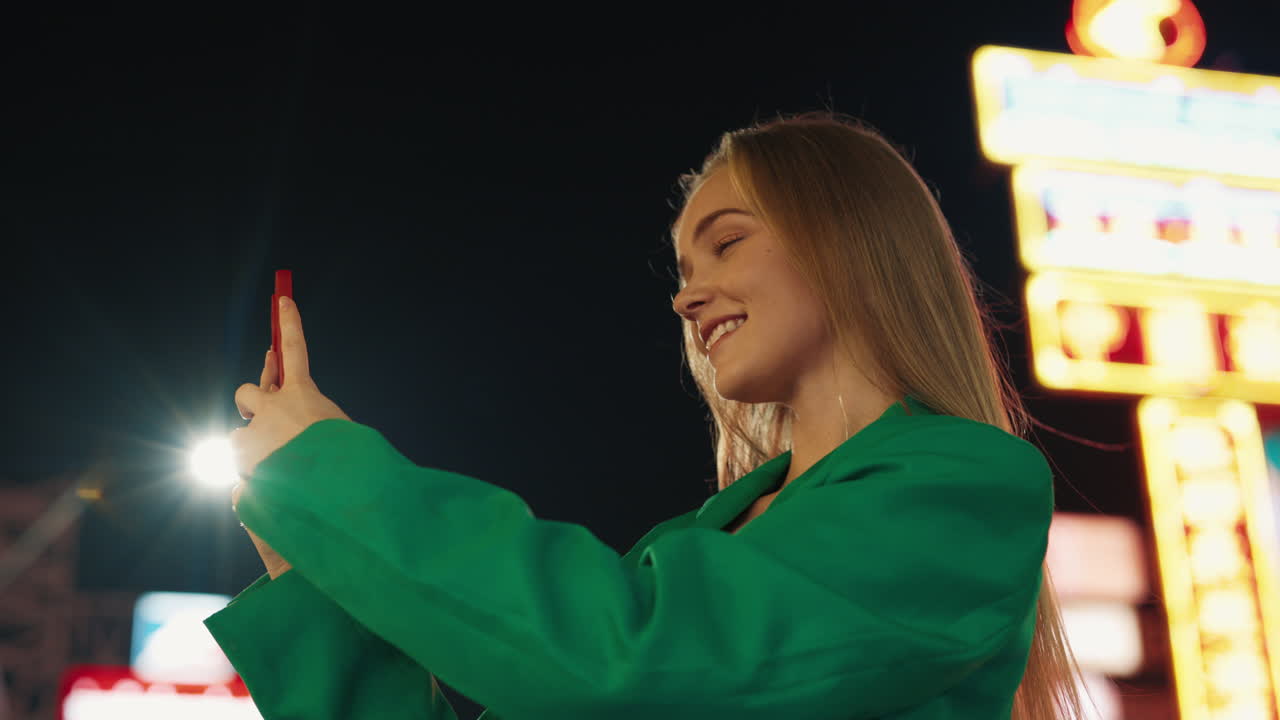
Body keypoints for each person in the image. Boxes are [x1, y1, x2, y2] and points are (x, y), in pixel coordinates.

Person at [207, 111, 1087, 719]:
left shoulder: (965, 490)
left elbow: (624, 664)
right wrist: (310, 580)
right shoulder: (703, 545)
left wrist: (328, 472)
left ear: (851, 238)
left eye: (727, 241)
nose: (686, 298)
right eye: (681, 267)